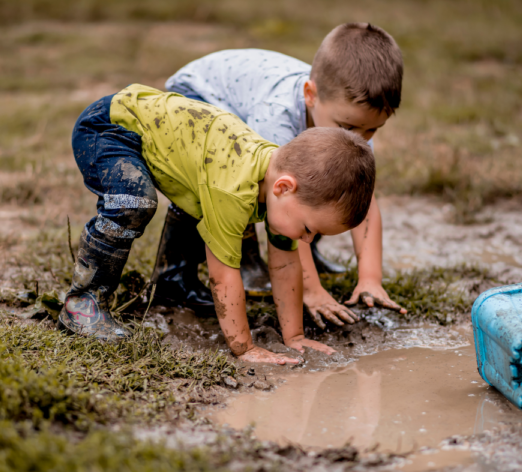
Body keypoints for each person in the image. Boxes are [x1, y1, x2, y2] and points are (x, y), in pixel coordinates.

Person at [62, 84, 375, 364]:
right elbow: (223, 276)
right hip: (110, 128)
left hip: (160, 138)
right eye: (309, 229)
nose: (307, 240)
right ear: (283, 187)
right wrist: (244, 348)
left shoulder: (278, 185)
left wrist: (294, 338)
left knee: (199, 202)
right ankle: (82, 303)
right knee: (135, 201)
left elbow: (284, 265)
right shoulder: (233, 190)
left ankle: (173, 285)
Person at [160, 22, 407, 326]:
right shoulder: (276, 116)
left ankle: (306, 256)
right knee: (235, 185)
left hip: (241, 100)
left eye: (373, 129)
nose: (361, 137)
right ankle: (187, 273)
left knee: (326, 187)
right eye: (348, 128)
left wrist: (370, 278)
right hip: (199, 97)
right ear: (310, 95)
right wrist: (311, 291)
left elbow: (362, 199)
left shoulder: (349, 121)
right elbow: (285, 201)